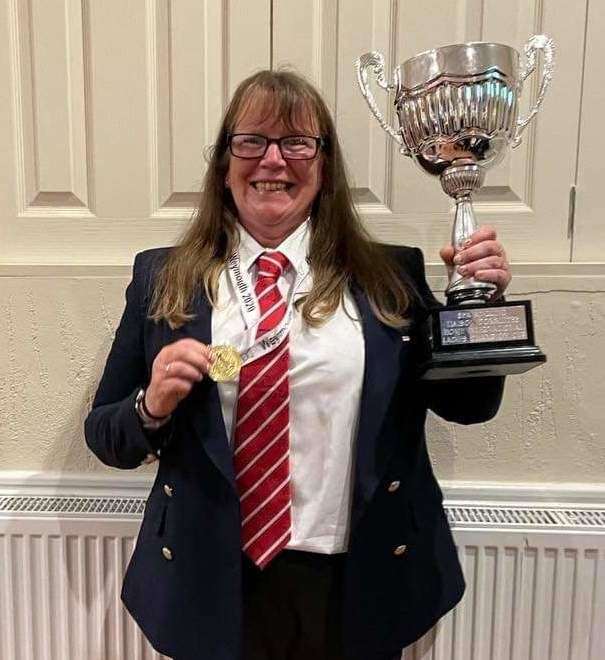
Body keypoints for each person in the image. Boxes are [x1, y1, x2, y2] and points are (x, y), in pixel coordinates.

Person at [84, 69, 510, 660]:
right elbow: (106, 436)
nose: (273, 161)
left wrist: (481, 303)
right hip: (210, 583)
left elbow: (472, 405)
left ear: (325, 164)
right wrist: (150, 405)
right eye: (251, 141)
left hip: (356, 580)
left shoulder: (389, 277)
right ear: (224, 162)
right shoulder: (163, 278)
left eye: (297, 143)